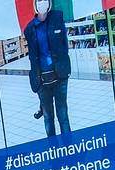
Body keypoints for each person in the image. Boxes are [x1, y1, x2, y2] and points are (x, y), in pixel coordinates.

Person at [24, 0, 72, 138]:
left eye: (45, 0)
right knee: (48, 118)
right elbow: (33, 55)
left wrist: (61, 63)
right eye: (39, 1)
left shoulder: (57, 18)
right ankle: (53, 151)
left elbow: (64, 45)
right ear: (34, 4)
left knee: (63, 115)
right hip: (42, 79)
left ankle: (69, 149)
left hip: (60, 75)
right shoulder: (30, 28)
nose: (42, 3)